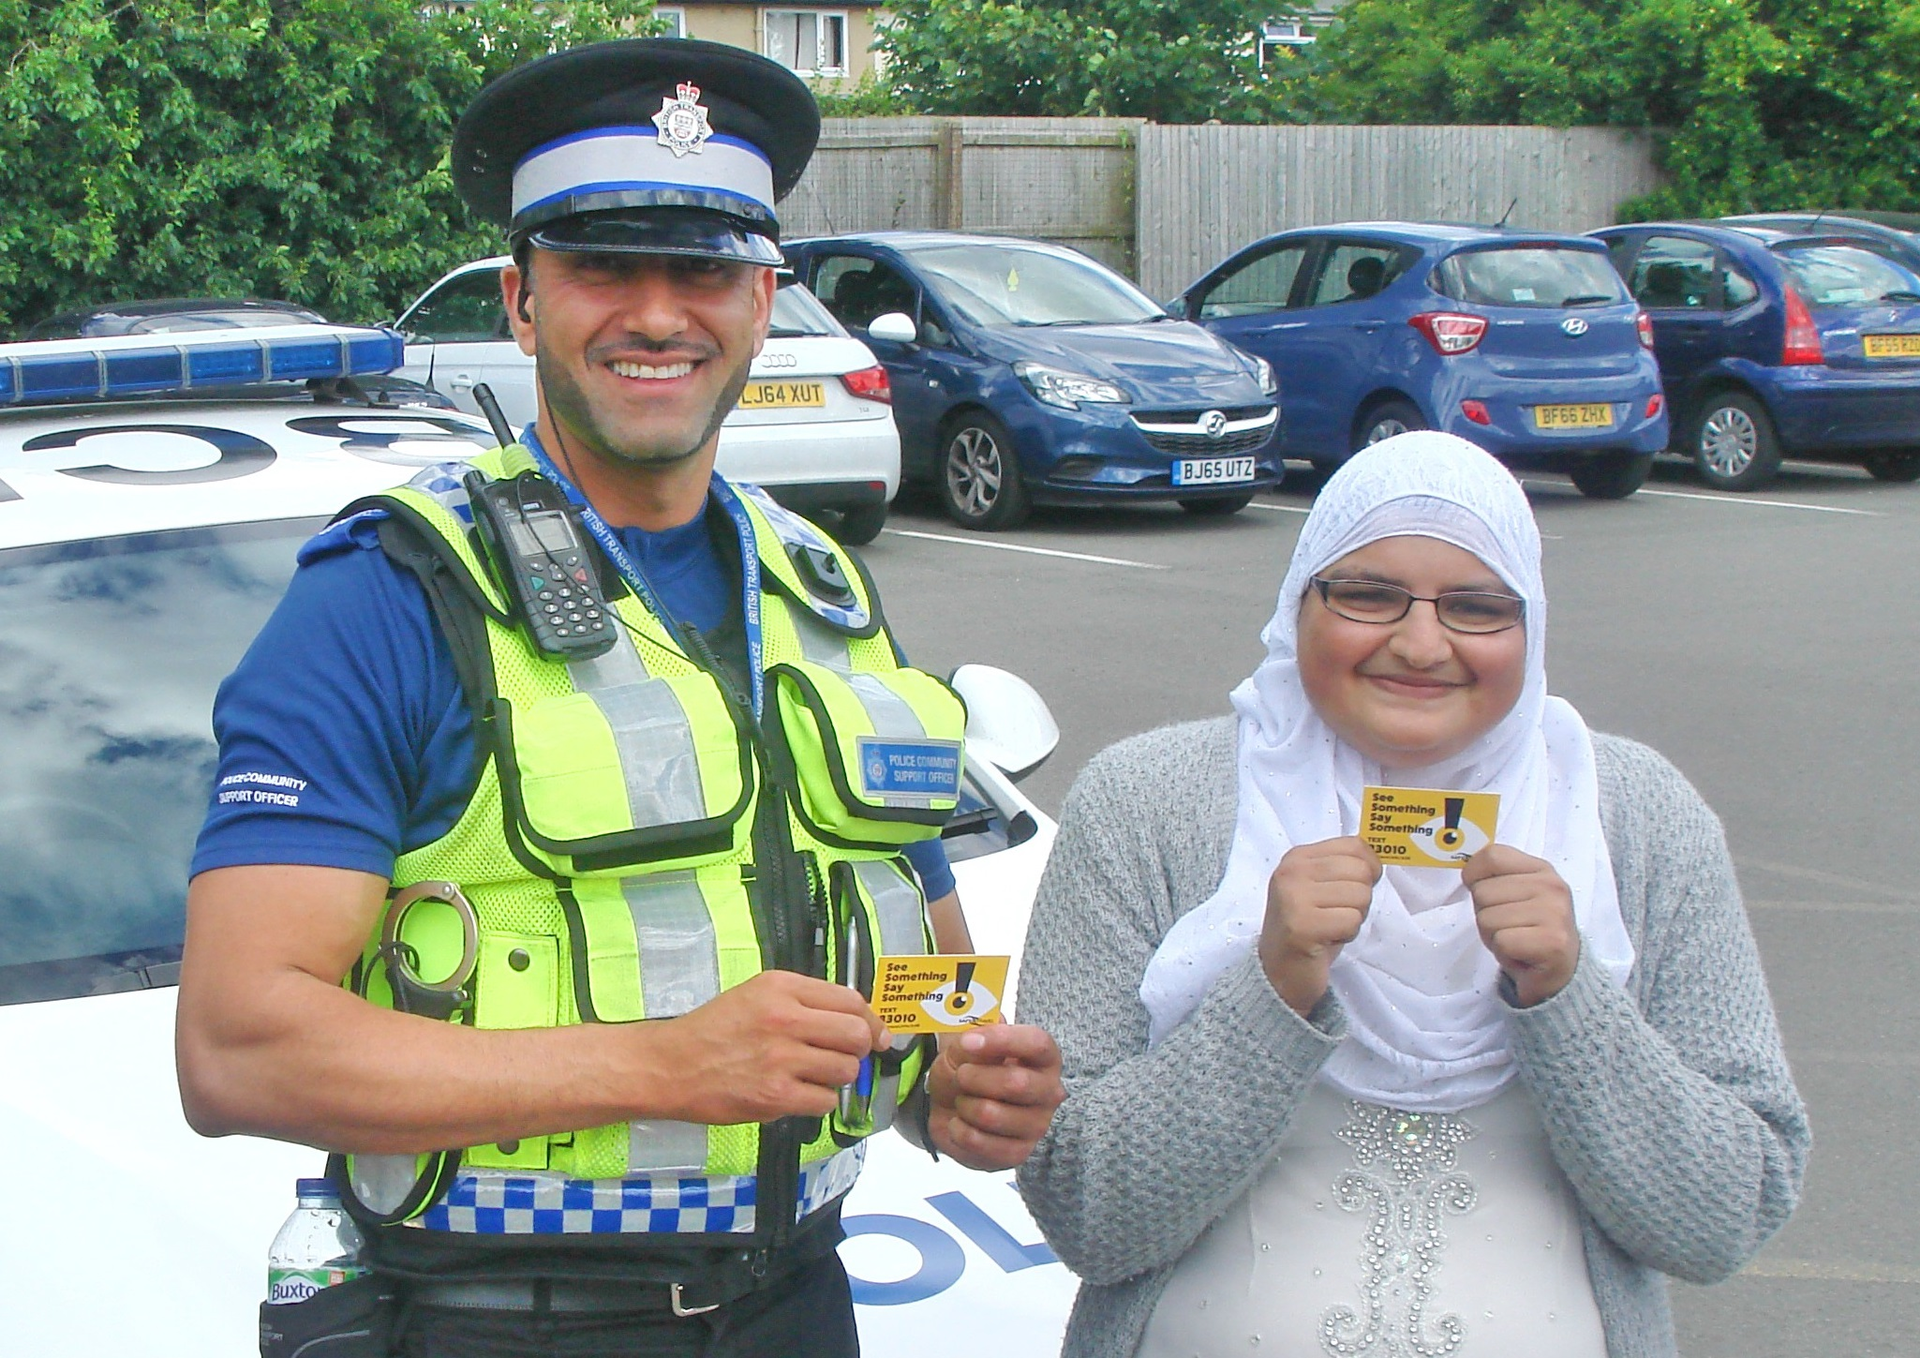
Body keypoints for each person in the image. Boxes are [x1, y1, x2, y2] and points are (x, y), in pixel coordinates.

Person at [176, 37, 1063, 1357]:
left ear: (764, 300)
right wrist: (656, 1064)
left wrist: (950, 1084)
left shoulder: (817, 585)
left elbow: (908, 948)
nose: (658, 313)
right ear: (523, 304)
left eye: (703, 269)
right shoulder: (389, 593)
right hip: (498, 1324)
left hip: (799, 1308)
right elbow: (235, 1050)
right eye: (602, 265)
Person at [1014, 432, 1808, 1358]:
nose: (1421, 644)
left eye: (1477, 608)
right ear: (1296, 603)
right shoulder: (1148, 803)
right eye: (1366, 594)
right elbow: (1086, 1214)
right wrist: (1273, 987)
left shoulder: (1634, 818)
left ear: (1533, 627)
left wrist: (1569, 996)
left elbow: (1724, 1219)